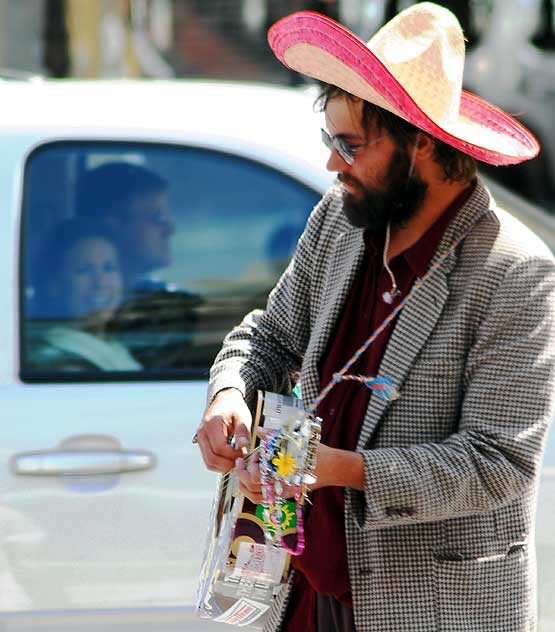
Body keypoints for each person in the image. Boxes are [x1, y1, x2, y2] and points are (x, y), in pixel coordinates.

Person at [195, 4, 555, 632]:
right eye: (330, 142)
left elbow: (499, 466)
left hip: (430, 610)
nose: (335, 165)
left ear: (421, 144)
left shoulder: (515, 272)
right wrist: (229, 393)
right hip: (301, 589)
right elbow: (270, 336)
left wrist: (337, 468)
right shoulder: (340, 218)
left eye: (351, 146)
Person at [75, 161, 201, 368]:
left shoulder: (155, 299)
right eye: (157, 217)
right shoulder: (98, 314)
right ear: (113, 222)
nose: (170, 228)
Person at [28, 219, 141, 371]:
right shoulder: (59, 362)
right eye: (84, 270)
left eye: (109, 268)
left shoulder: (113, 346)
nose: (100, 282)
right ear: (54, 285)